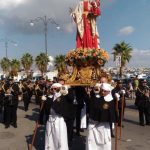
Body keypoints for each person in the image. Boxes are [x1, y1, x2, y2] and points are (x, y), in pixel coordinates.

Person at [86, 83, 117, 150]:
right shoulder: (97, 98)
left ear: (109, 91)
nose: (103, 92)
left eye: (105, 91)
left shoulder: (110, 100)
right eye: (102, 90)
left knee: (104, 142)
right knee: (93, 141)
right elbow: (93, 109)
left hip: (104, 125)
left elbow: (111, 113)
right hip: (94, 124)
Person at [45, 83, 69, 150]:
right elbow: (46, 110)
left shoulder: (63, 97)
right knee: (49, 137)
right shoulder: (50, 97)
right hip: (50, 119)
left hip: (58, 119)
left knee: (59, 137)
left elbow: (60, 109)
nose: (53, 90)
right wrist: (44, 101)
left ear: (59, 89)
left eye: (55, 89)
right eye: (52, 89)